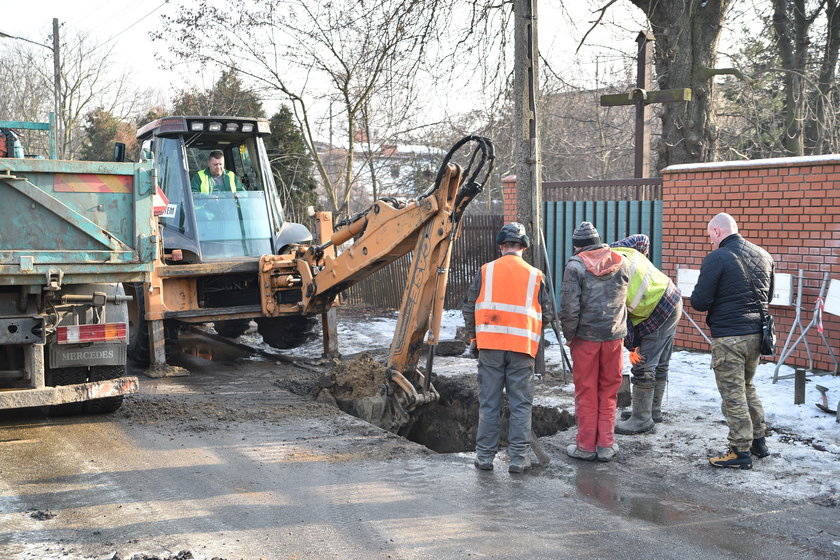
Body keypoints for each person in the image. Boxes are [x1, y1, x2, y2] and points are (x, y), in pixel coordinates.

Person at [462, 222, 554, 474]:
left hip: (490, 347)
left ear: (501, 246)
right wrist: (529, 332)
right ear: (523, 247)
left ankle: (484, 457)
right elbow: (547, 313)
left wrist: (474, 339)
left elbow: (469, 308)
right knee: (520, 404)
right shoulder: (536, 275)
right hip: (521, 349)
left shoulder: (486, 271)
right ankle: (518, 458)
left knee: (489, 403)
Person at [690, 213, 774, 470]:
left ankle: (739, 450)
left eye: (709, 237)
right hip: (757, 334)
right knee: (748, 387)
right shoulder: (763, 255)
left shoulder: (717, 258)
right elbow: (767, 295)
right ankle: (758, 441)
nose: (710, 243)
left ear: (717, 232)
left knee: (733, 394)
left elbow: (699, 302)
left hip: (730, 337)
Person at [559, 222, 630, 462]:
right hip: (614, 339)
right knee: (609, 391)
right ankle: (606, 445)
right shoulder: (622, 262)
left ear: (578, 246)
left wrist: (570, 336)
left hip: (586, 339)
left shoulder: (575, 266)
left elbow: (569, 308)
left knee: (587, 391)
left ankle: (586, 446)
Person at [609, 234, 683, 434]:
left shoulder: (610, 277)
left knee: (643, 365)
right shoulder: (618, 249)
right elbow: (641, 240)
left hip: (658, 309)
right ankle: (652, 410)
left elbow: (624, 323)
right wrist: (643, 260)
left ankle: (642, 419)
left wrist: (633, 348)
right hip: (671, 296)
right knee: (659, 363)